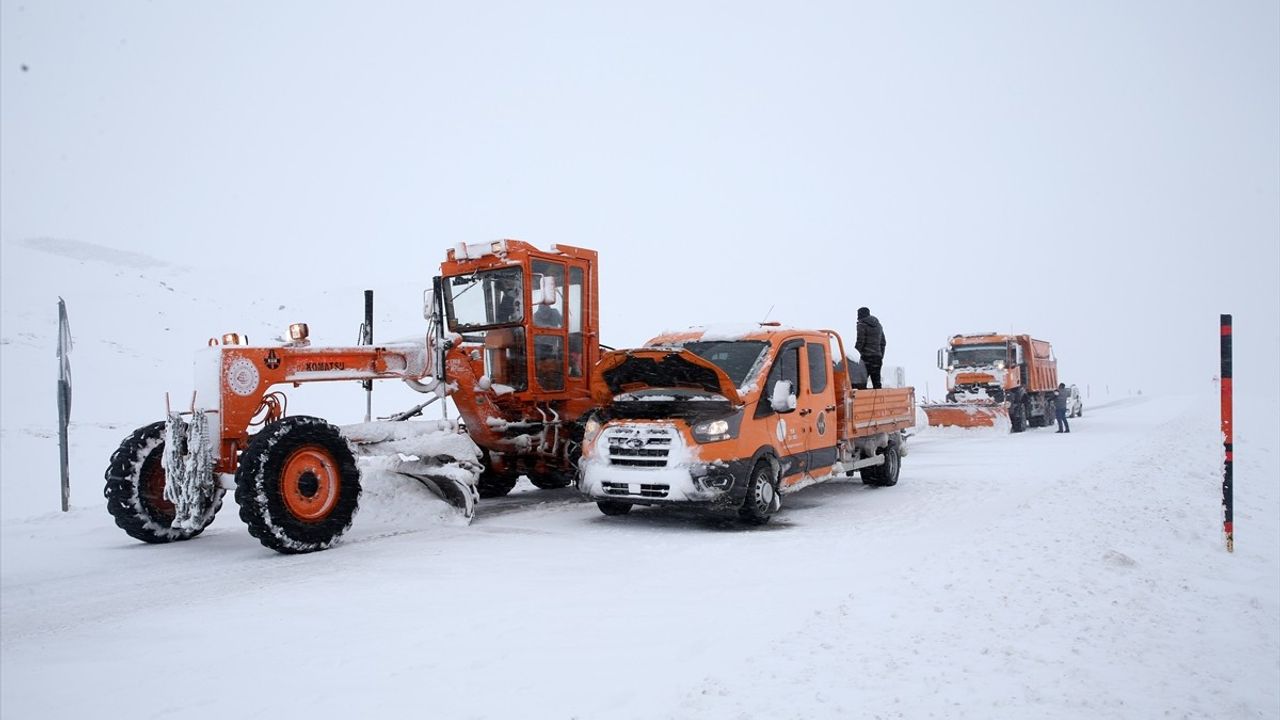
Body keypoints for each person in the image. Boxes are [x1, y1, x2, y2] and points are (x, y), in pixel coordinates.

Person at [854, 307, 886, 389]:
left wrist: (856, 355)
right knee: (877, 383)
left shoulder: (861, 325)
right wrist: (880, 355)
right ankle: (879, 401)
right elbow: (883, 342)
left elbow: (860, 341)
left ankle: (861, 401)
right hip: (877, 358)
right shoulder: (878, 325)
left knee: (860, 384)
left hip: (866, 358)